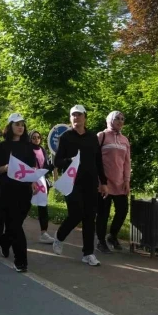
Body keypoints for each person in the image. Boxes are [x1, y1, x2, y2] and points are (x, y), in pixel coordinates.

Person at [52, 105, 108, 267]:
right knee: (76, 214)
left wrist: (103, 182)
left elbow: (98, 161)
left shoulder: (92, 137)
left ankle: (88, 253)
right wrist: (69, 161)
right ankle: (60, 236)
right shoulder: (66, 137)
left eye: (79, 115)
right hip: (72, 182)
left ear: (85, 117)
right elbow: (57, 161)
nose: (76, 118)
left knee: (90, 217)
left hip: (90, 183)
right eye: (73, 115)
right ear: (70, 118)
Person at [0, 114, 37, 272]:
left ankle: (4, 241)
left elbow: (32, 167)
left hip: (24, 190)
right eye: (17, 124)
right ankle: (21, 261)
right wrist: (7, 167)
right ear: (10, 127)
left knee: (15, 224)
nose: (20, 127)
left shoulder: (28, 146)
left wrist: (33, 180)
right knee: (15, 225)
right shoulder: (3, 146)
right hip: (8, 189)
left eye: (22, 125)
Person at [95, 111, 132, 253]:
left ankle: (112, 236)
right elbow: (95, 159)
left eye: (122, 119)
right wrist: (99, 181)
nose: (120, 121)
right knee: (103, 213)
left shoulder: (125, 140)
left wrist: (127, 181)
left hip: (120, 182)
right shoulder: (101, 136)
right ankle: (101, 241)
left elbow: (127, 162)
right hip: (103, 182)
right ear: (110, 119)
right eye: (117, 118)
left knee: (122, 210)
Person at [29, 130, 55, 244]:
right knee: (23, 206)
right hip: (30, 181)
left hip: (42, 181)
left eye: (38, 137)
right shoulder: (27, 149)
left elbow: (45, 167)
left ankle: (44, 233)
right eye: (34, 137)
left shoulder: (42, 150)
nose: (36, 139)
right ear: (30, 139)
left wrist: (56, 164)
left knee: (43, 206)